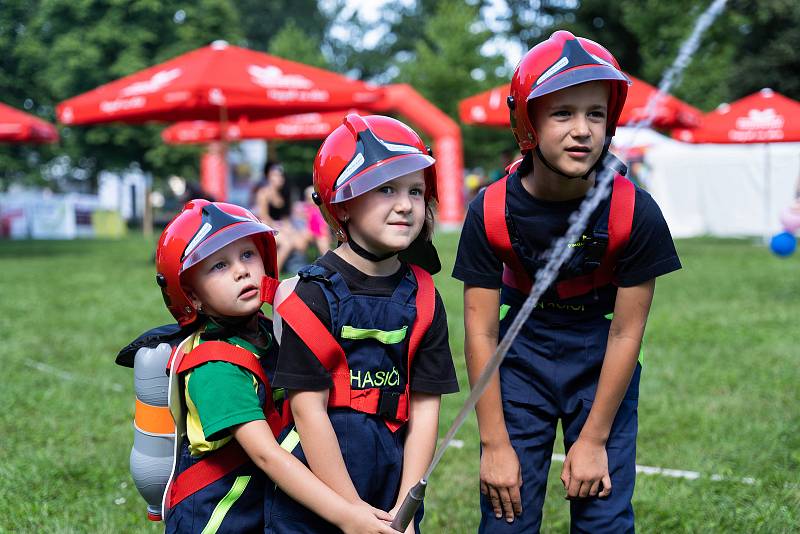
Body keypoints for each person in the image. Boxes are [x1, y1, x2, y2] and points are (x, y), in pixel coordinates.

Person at [452, 31, 682, 533]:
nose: (582, 130)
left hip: (600, 361)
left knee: (604, 521)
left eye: (595, 114)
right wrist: (493, 445)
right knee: (505, 519)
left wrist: (596, 438)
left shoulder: (634, 211)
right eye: (563, 114)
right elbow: (481, 335)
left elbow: (626, 334)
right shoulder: (488, 211)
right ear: (526, 122)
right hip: (519, 359)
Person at [155, 199, 397, 534]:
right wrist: (346, 514)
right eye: (219, 266)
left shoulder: (271, 332)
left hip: (265, 510)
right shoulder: (215, 367)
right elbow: (266, 455)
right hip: (219, 521)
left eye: (247, 254)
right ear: (192, 296)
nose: (241, 270)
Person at [266, 114, 459, 533]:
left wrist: (405, 507)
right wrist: (350, 512)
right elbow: (307, 410)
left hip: (391, 496)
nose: (406, 204)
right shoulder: (311, 296)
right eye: (386, 188)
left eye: (414, 190)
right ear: (343, 202)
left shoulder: (425, 299)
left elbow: (425, 407)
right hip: (315, 499)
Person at [251, 162, 306, 273]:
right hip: (267, 228)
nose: (279, 178)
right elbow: (264, 217)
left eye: (281, 176)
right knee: (287, 243)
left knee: (301, 242)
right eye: (276, 176)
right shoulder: (263, 194)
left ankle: (296, 269)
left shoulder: (284, 194)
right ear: (269, 177)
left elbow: (286, 217)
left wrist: (290, 229)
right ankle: (274, 273)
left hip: (281, 227)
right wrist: (281, 227)